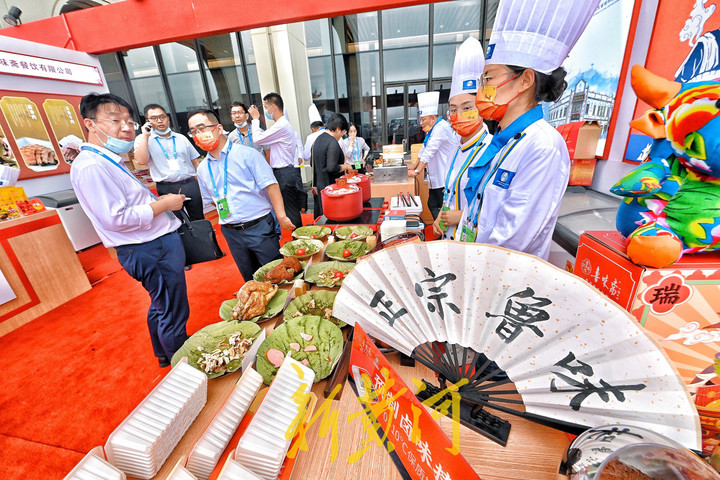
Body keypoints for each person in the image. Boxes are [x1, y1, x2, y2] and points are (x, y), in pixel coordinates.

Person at [460, 0, 599, 260]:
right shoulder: (503, 139)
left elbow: (513, 239)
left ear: (525, 79)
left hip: (502, 278)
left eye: (488, 78)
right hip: (476, 267)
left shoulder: (543, 145)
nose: (483, 90)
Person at [71, 93, 189, 368]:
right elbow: (116, 218)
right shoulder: (91, 166)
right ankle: (184, 366)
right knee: (173, 309)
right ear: (90, 124)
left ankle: (164, 352)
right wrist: (163, 205)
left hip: (150, 243)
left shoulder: (107, 159)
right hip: (148, 247)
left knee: (162, 304)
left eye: (128, 121)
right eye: (115, 121)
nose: (125, 127)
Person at [187, 109, 295, 281]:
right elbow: (213, 200)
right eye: (194, 132)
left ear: (218, 128)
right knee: (250, 279)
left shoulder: (247, 154)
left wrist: (281, 216)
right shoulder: (202, 168)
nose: (199, 135)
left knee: (276, 276)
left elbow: (271, 185)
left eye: (202, 128)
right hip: (231, 232)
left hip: (259, 226)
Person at [433, 37, 492, 241]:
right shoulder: (456, 148)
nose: (459, 115)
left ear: (481, 108)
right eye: (453, 109)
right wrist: (439, 218)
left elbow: (497, 211)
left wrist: (460, 216)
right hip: (449, 239)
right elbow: (450, 192)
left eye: (467, 108)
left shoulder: (492, 150)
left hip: (472, 244)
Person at [133, 103, 204, 221]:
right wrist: (145, 135)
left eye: (162, 117)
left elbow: (195, 162)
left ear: (168, 118)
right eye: (154, 118)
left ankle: (205, 239)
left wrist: (204, 183)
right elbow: (141, 160)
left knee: (199, 219)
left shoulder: (181, 138)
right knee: (177, 222)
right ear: (148, 121)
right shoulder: (143, 139)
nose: (160, 121)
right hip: (166, 187)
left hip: (190, 184)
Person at [247, 93, 305, 229]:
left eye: (266, 107)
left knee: (291, 211)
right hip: (286, 172)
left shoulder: (281, 125)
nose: (265, 111)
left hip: (284, 172)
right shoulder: (282, 125)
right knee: (291, 209)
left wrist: (255, 119)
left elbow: (258, 139)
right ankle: (298, 240)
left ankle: (299, 242)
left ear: (273, 107)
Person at [409, 91, 459, 220]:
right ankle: (440, 231)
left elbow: (430, 152)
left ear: (432, 118)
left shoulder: (441, 128)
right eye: (420, 119)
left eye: (423, 119)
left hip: (443, 177)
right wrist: (414, 166)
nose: (421, 122)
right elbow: (424, 149)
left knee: (440, 208)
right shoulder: (432, 130)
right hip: (436, 178)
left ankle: (443, 232)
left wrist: (417, 171)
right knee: (432, 204)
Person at [311, 113, 353, 216]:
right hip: (330, 187)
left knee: (324, 215)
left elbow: (312, 163)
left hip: (320, 185)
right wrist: (346, 166)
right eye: (343, 132)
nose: (342, 135)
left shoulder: (318, 139)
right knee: (333, 216)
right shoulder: (332, 142)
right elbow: (332, 167)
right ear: (338, 129)